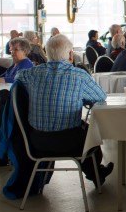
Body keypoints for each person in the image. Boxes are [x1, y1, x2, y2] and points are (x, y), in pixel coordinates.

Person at [15, 34, 113, 186]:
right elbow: (101, 96)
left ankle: (96, 173)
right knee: (90, 133)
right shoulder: (79, 75)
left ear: (47, 54)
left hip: (36, 141)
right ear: (70, 54)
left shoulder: (30, 74)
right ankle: (96, 173)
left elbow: (17, 79)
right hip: (69, 143)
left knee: (83, 132)